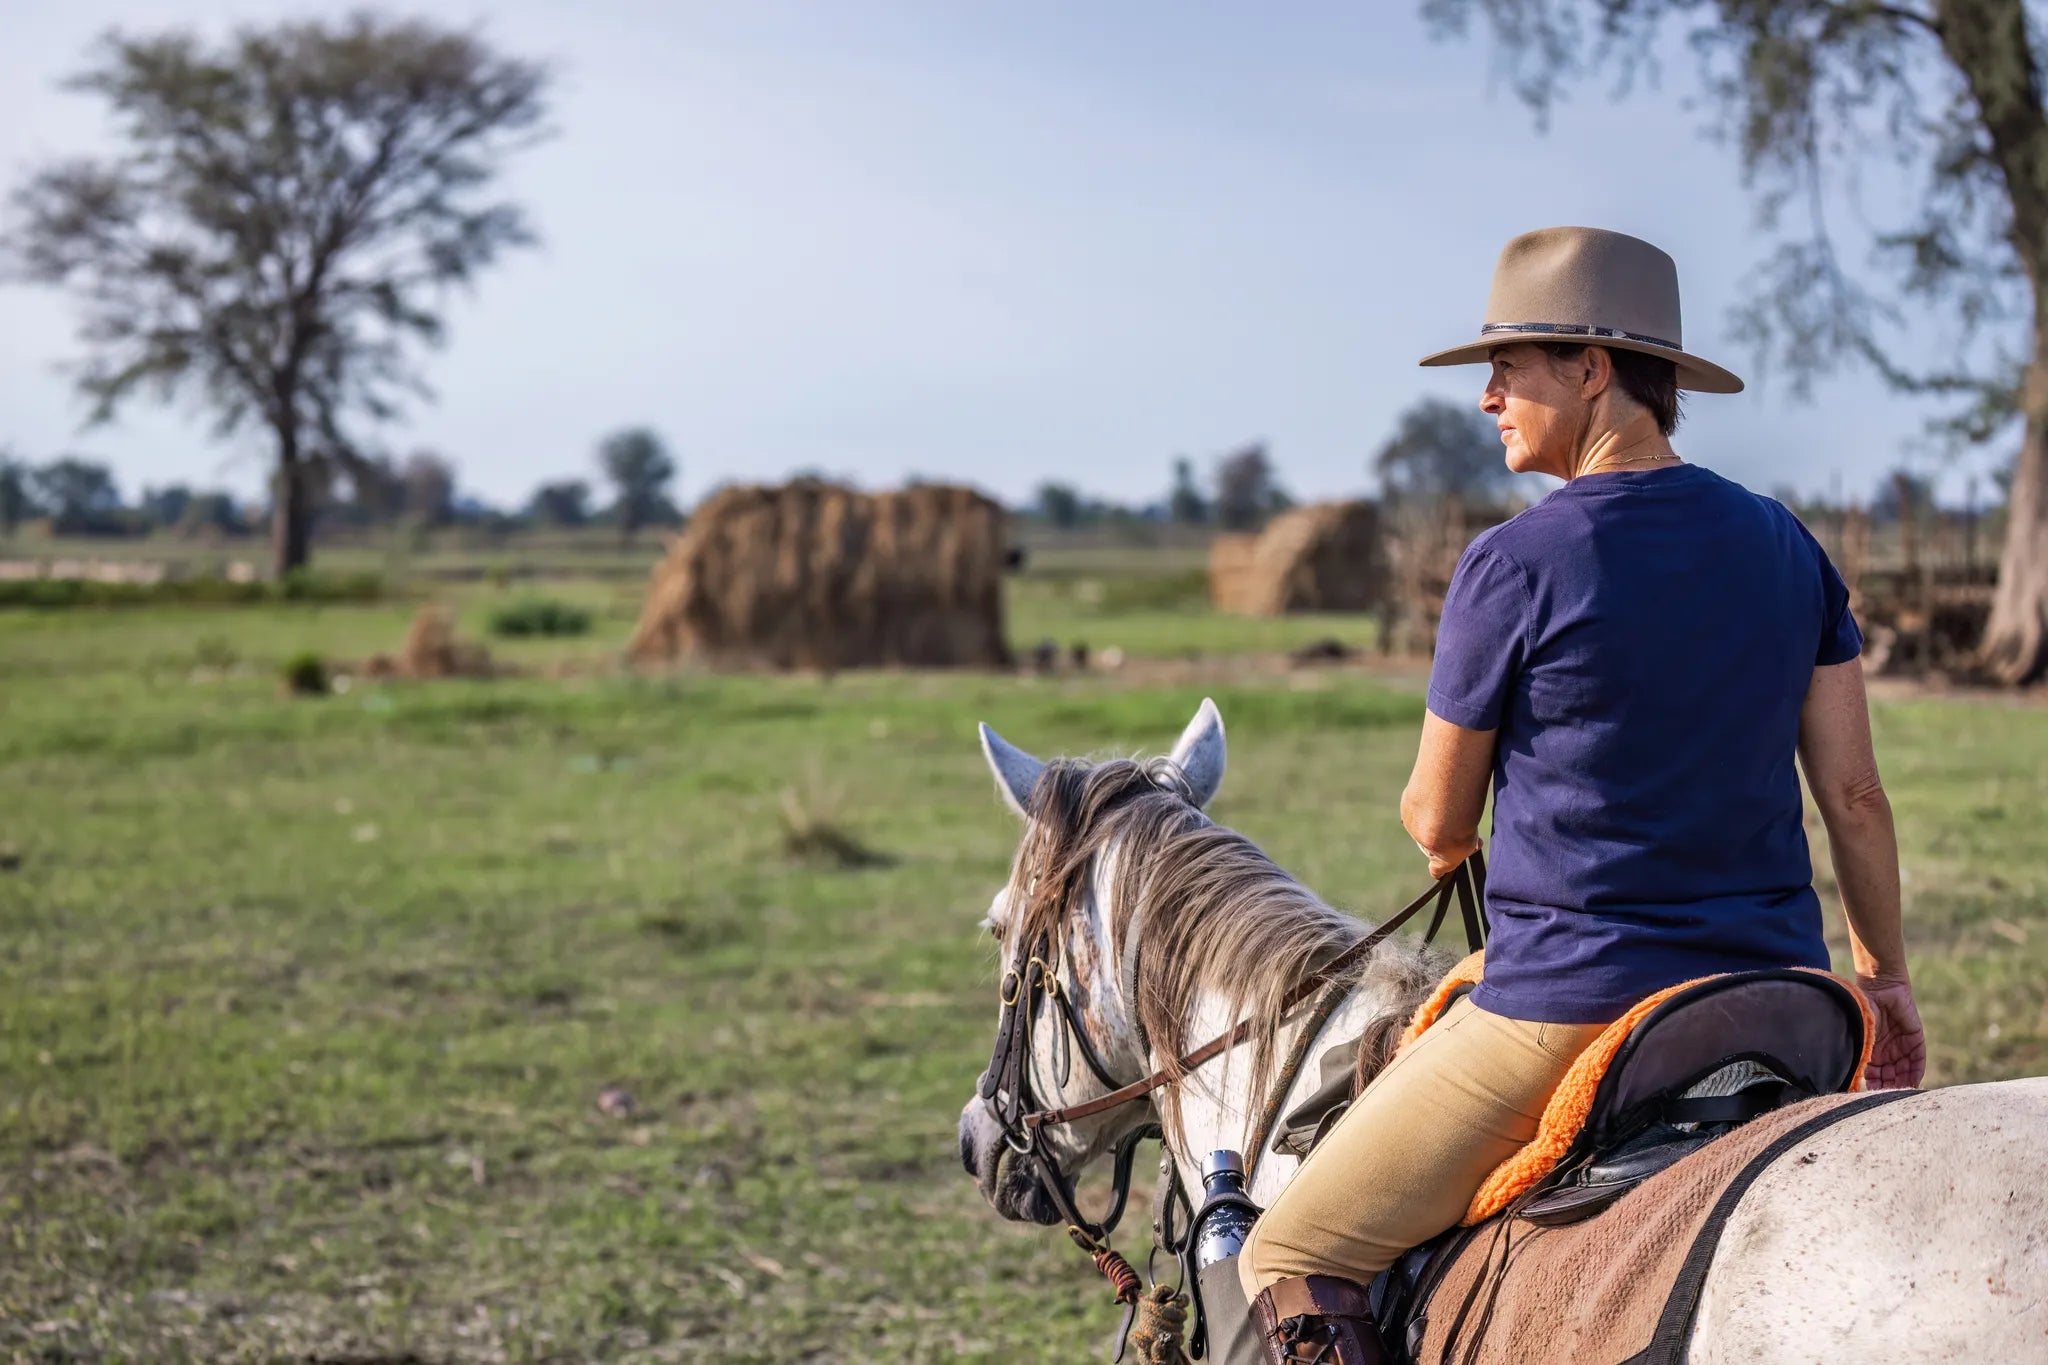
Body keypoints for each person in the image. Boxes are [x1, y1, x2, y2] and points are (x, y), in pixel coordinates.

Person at [1236, 226, 1926, 1365]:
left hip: (1569, 1012)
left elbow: (1434, 821)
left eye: (1508, 367)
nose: (1486, 398)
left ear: (1593, 368)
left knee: (1287, 1254)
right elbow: (1852, 794)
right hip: (1787, 997)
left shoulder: (1511, 563)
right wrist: (1882, 983)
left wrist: (1454, 833)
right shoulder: (1785, 545)